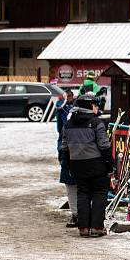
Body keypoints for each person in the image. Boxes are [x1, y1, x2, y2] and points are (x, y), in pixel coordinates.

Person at [62, 93, 112, 237]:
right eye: (95, 106)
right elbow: (104, 145)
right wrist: (109, 166)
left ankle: (83, 227)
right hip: (96, 164)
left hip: (77, 164)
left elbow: (65, 148)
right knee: (99, 193)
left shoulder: (68, 124)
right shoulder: (96, 123)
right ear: (89, 107)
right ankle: (97, 227)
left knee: (82, 193)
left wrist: (69, 165)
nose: (97, 108)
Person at [56, 89, 77, 227]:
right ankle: (79, 213)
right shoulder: (61, 106)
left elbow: (60, 128)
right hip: (84, 158)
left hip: (69, 155)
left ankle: (76, 214)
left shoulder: (62, 109)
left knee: (72, 186)